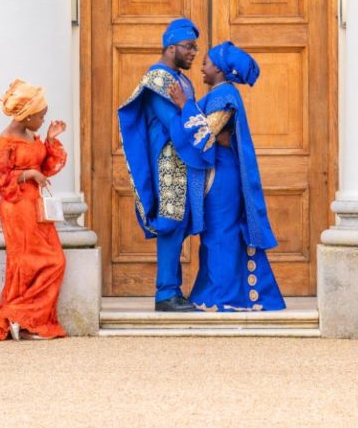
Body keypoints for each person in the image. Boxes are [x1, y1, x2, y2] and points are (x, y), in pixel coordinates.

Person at [116, 18, 210, 312]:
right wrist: (188, 110)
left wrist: (189, 110)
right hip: (168, 161)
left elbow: (188, 120)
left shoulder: (181, 79)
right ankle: (165, 294)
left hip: (186, 160)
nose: (194, 52)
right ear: (171, 48)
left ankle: (174, 290)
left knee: (180, 224)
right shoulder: (158, 79)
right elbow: (175, 124)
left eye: (195, 47)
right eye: (189, 47)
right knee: (170, 222)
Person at [186, 42, 284, 312]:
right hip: (220, 172)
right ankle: (216, 293)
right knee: (217, 233)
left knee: (221, 234)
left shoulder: (224, 95)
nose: (201, 67)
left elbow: (205, 133)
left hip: (222, 177)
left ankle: (223, 296)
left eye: (205, 62)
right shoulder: (221, 93)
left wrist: (183, 105)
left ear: (218, 67)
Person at [0, 81, 70, 341]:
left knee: (54, 260)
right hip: (16, 206)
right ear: (28, 115)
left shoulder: (32, 136)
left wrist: (51, 140)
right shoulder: (5, 141)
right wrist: (27, 174)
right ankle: (21, 319)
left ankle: (22, 317)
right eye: (41, 116)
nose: (44, 119)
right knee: (26, 262)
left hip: (35, 204)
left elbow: (48, 167)